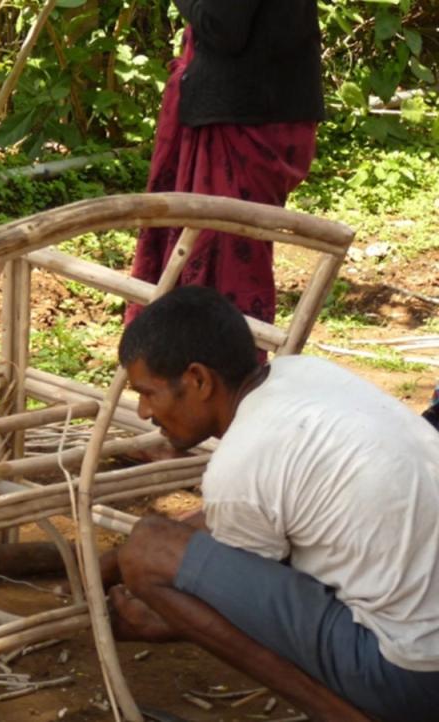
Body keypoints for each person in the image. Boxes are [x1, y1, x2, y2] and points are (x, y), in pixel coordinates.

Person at [100, 286, 439, 722]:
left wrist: (162, 620)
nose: (144, 412)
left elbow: (240, 609)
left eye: (148, 393)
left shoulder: (240, 462)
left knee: (149, 552)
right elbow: (239, 523)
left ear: (199, 380)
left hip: (414, 679)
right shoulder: (304, 374)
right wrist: (105, 564)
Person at [125, 0, 324, 326]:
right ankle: (192, 360)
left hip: (245, 117)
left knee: (224, 255)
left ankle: (215, 366)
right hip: (255, 109)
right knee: (222, 248)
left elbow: (222, 26)